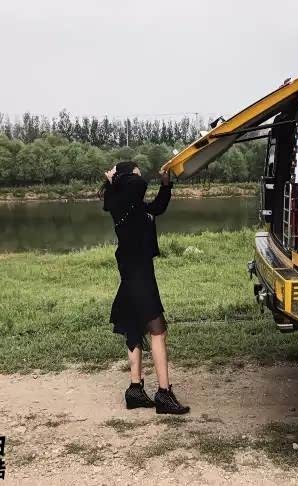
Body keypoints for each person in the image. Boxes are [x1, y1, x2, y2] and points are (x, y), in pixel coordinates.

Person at [100, 160, 189, 415]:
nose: (139, 177)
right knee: (158, 330)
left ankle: (135, 390)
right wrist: (115, 177)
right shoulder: (122, 202)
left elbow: (158, 207)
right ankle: (164, 394)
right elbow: (138, 183)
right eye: (135, 172)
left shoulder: (132, 205)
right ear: (127, 178)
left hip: (135, 271)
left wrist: (165, 183)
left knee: (133, 326)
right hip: (137, 273)